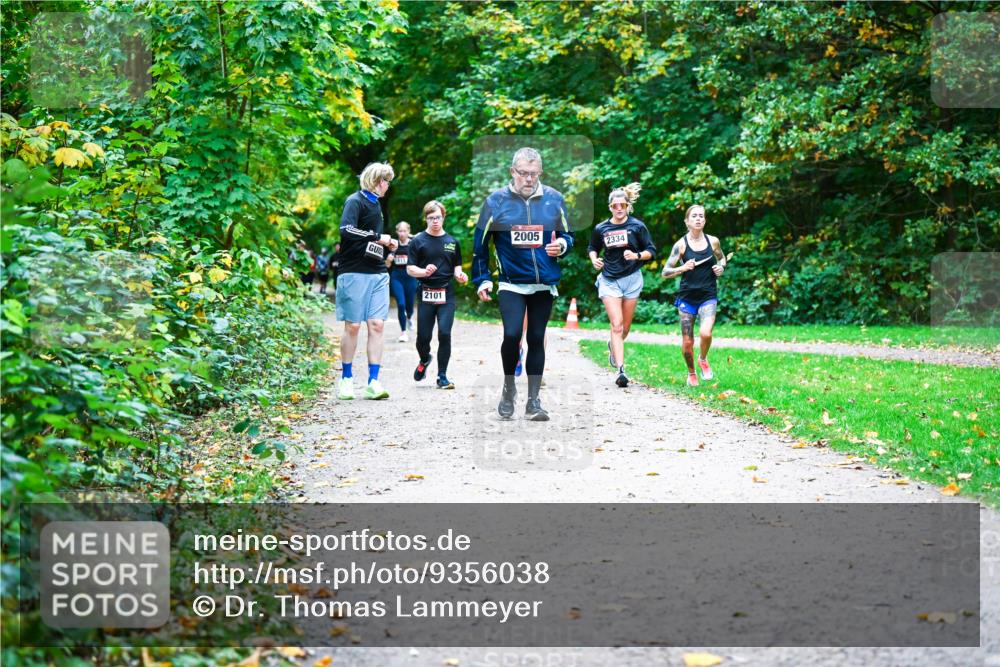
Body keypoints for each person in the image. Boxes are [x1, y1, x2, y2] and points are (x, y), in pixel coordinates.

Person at [472, 147, 574, 421]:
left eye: (533, 173)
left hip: (543, 283)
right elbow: (479, 247)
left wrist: (562, 245)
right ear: (512, 172)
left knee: (536, 338)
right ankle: (508, 388)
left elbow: (568, 235)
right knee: (512, 335)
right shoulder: (495, 202)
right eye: (523, 173)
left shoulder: (554, 199)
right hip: (511, 283)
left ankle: (533, 401)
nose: (528, 179)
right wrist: (482, 279)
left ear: (540, 172)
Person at [335, 162, 398, 400]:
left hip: (378, 271)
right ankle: (347, 380)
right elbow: (346, 229)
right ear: (375, 180)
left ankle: (373, 382)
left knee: (377, 325)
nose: (388, 186)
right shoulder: (355, 201)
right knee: (352, 326)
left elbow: (374, 240)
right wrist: (377, 237)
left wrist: (388, 244)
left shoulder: (377, 204)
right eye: (386, 181)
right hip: (353, 271)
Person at [588, 183, 656, 388]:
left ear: (628, 206)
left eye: (622, 205)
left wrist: (636, 255)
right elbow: (593, 247)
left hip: (632, 279)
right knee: (616, 324)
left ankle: (612, 345)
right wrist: (594, 259)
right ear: (610, 207)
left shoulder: (637, 226)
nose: (619, 209)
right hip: (609, 279)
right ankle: (621, 370)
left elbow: (651, 251)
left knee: (625, 328)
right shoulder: (601, 228)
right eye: (615, 205)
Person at [660, 204, 727, 386]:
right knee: (687, 342)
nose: (698, 219)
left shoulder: (713, 241)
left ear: (704, 220)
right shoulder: (680, 245)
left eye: (701, 216)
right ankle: (691, 373)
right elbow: (665, 272)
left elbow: (722, 257)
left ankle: (703, 359)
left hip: (708, 295)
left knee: (705, 333)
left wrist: (721, 267)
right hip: (687, 298)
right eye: (694, 216)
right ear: (687, 221)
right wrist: (683, 267)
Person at [407, 200, 468, 389]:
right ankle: (424, 359)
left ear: (443, 218)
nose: (435, 221)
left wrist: (460, 275)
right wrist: (423, 272)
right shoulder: (418, 241)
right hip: (425, 292)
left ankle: (442, 376)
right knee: (423, 338)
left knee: (445, 333)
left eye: (438, 217)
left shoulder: (452, 242)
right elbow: (410, 268)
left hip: (446, 293)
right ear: (426, 218)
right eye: (431, 218)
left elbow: (457, 267)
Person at [386, 221, 417, 342]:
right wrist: (388, 260)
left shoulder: (413, 244)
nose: (402, 233)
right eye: (400, 231)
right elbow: (387, 266)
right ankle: (403, 332)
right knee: (401, 304)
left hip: (410, 277)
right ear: (397, 232)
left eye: (404, 231)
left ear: (408, 232)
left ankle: (409, 317)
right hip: (397, 277)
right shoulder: (393, 244)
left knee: (409, 306)